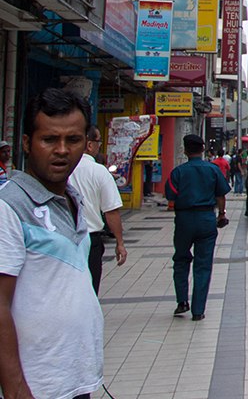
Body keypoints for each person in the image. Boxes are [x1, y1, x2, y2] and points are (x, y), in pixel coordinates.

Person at [0, 88, 103, 399]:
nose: (61, 150)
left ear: (86, 144)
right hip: (36, 387)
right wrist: (17, 391)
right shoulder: (9, 207)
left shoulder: (72, 198)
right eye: (49, 140)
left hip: (74, 382)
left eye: (72, 140)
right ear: (27, 143)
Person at [165, 134, 230, 321]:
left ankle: (182, 302)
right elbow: (221, 195)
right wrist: (222, 214)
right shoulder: (213, 170)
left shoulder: (178, 172)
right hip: (206, 219)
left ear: (185, 150)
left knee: (181, 259)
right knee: (203, 265)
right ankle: (198, 310)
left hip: (184, 219)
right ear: (202, 150)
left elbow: (170, 196)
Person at [69, 125, 127, 294]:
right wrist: (120, 243)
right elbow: (111, 211)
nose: (100, 145)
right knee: (90, 290)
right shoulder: (99, 172)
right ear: (89, 145)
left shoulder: (62, 168)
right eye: (98, 141)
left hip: (63, 239)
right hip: (90, 239)